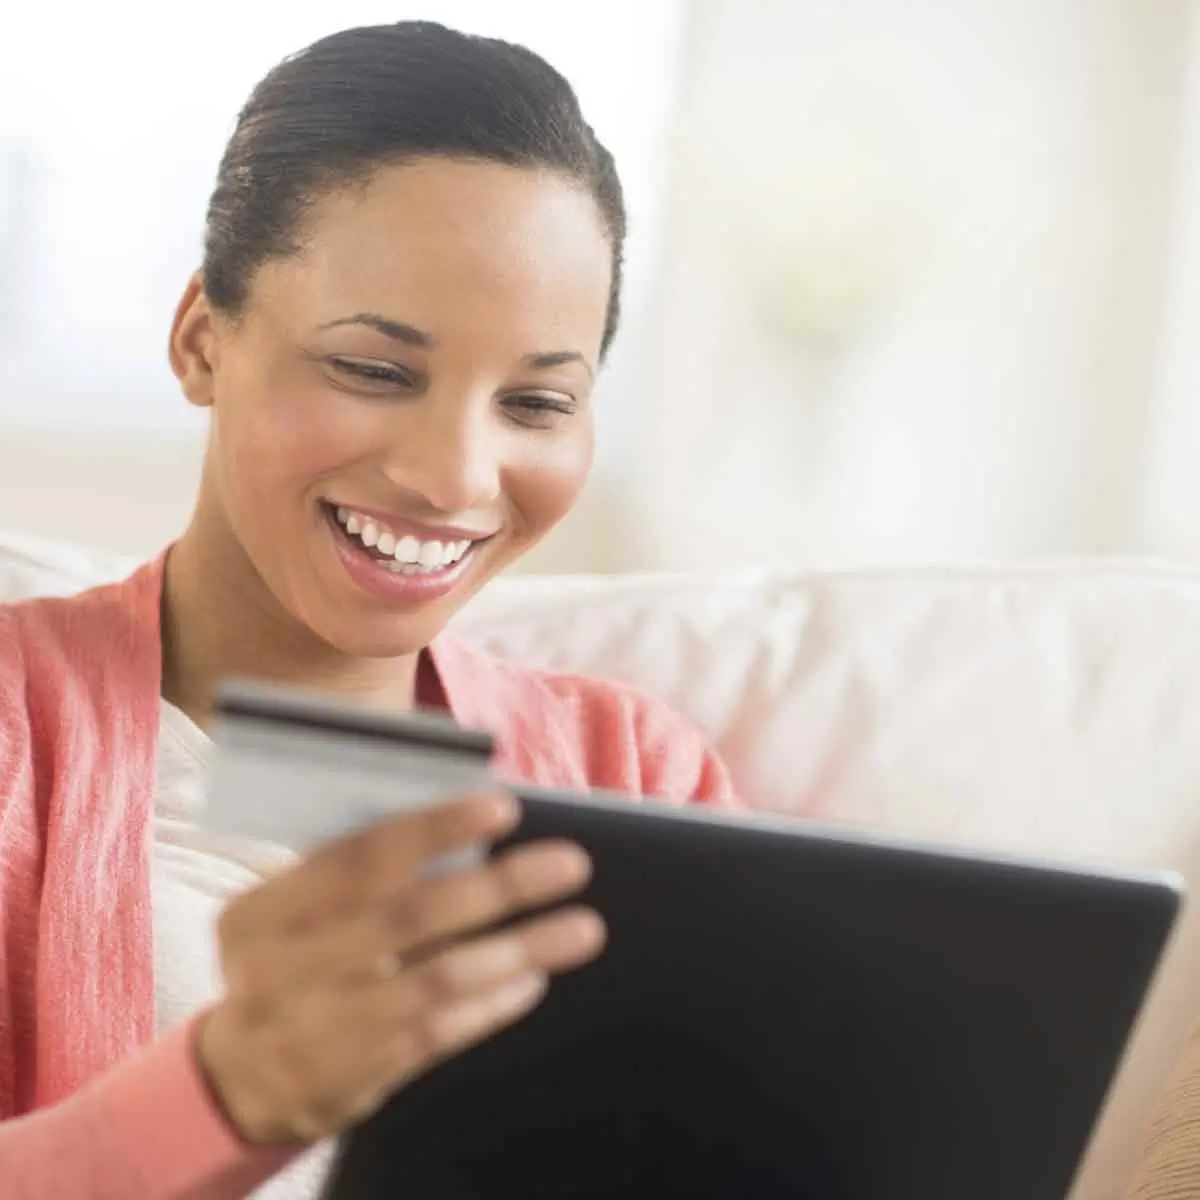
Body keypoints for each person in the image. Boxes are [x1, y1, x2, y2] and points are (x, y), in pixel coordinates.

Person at [0, 21, 735, 1199]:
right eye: (376, 370)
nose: (453, 477)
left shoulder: (635, 776)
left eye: (537, 401)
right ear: (202, 341)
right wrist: (221, 1098)